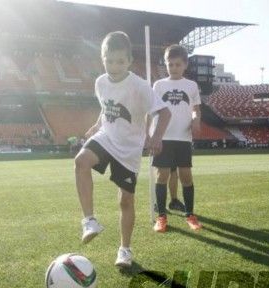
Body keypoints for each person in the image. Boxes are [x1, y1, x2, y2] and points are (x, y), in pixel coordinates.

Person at [74, 31, 170, 267]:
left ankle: (124, 250)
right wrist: (96, 125)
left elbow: (164, 112)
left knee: (126, 201)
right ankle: (89, 221)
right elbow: (107, 106)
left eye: (120, 61)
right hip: (106, 136)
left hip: (129, 148)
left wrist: (156, 137)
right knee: (81, 161)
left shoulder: (139, 86)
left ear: (128, 61)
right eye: (109, 60)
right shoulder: (100, 82)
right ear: (102, 58)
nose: (114, 66)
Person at [150, 44, 203, 233]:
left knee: (186, 176)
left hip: (183, 138)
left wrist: (196, 121)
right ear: (165, 64)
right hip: (163, 138)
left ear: (185, 65)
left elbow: (196, 109)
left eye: (177, 64)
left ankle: (190, 214)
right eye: (170, 64)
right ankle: (161, 217)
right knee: (162, 176)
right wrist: (152, 136)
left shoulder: (191, 86)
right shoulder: (159, 85)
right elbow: (153, 111)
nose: (173, 68)